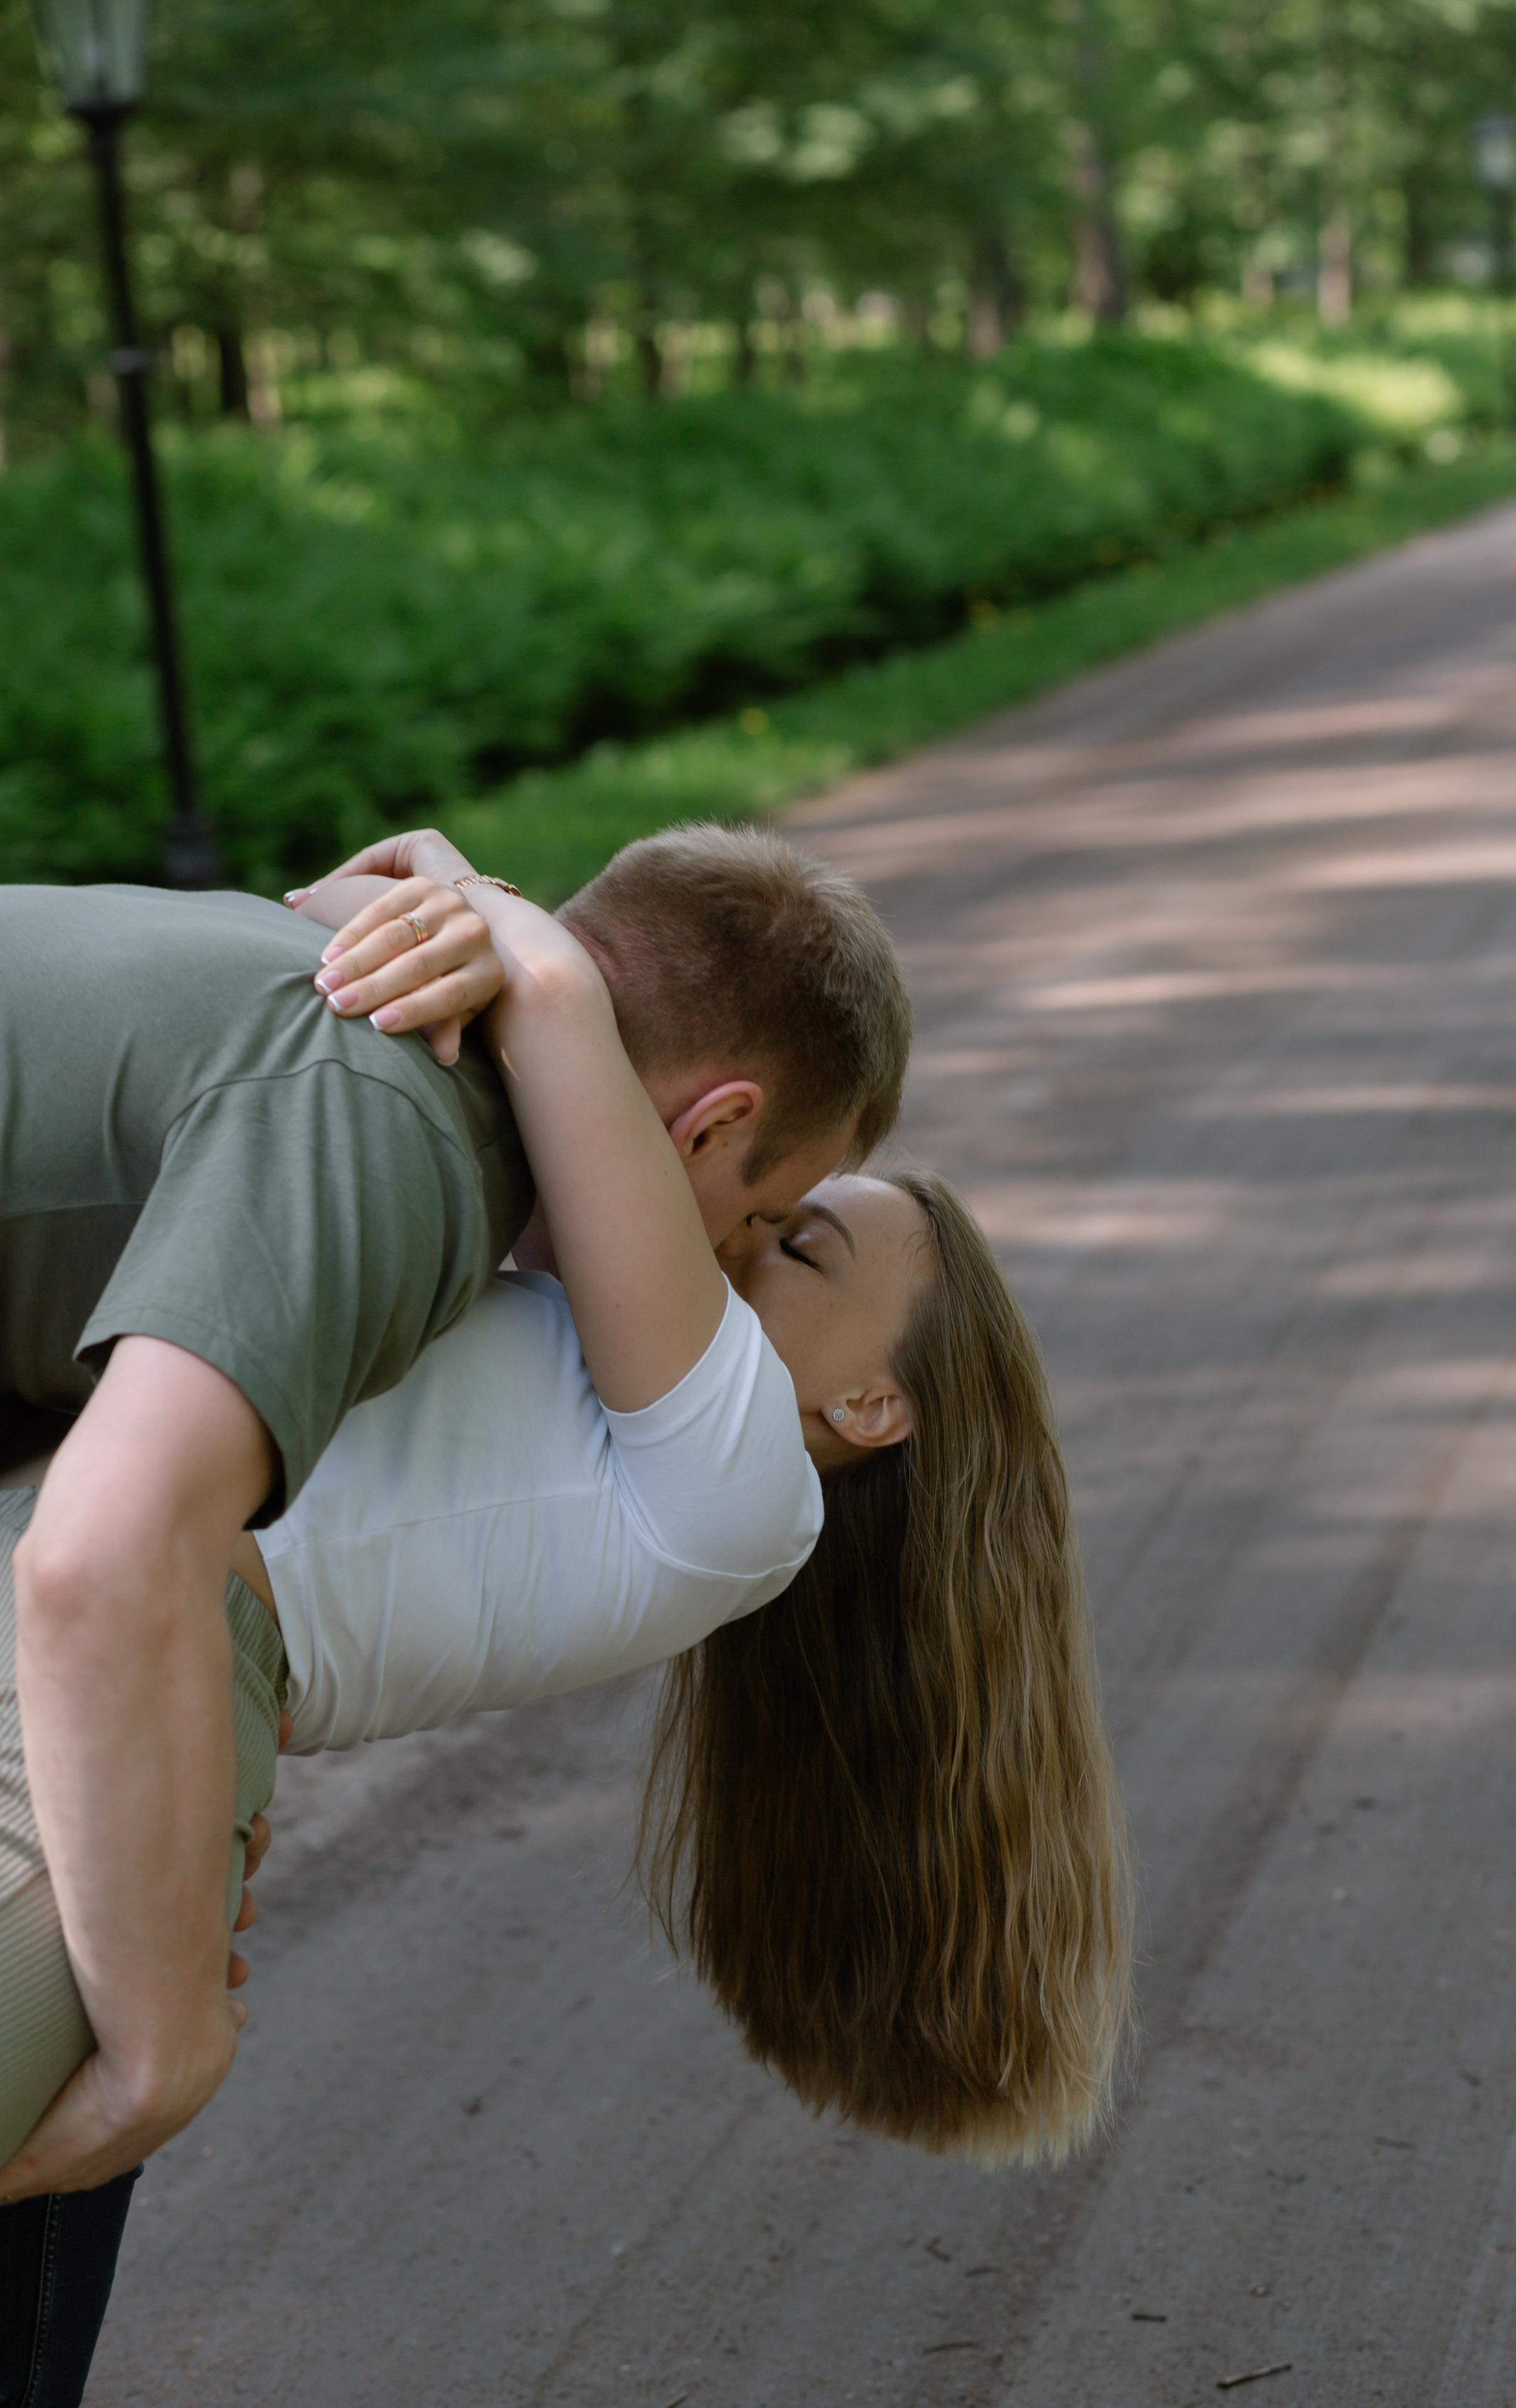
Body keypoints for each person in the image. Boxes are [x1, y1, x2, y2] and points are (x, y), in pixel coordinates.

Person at [0, 850, 1127, 2398]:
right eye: (768, 1218)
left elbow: (571, 1054)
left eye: (795, 1240)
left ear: (872, 1403)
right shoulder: (522, 1279)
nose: (738, 1246)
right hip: (127, 1671)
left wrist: (520, 935)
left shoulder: (745, 1493)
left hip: (123, 1662)